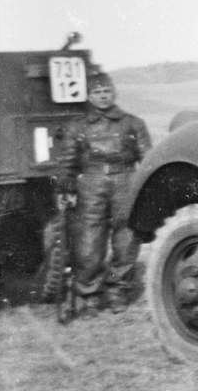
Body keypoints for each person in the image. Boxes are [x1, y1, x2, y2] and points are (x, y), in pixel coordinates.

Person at [58, 71, 151, 312]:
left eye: (107, 91)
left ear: (115, 93)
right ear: (89, 96)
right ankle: (89, 294)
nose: (103, 96)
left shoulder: (134, 123)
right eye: (97, 92)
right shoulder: (77, 126)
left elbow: (148, 159)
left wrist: (147, 188)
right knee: (89, 240)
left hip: (125, 181)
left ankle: (118, 291)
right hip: (91, 183)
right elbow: (68, 162)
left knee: (126, 238)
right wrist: (66, 188)